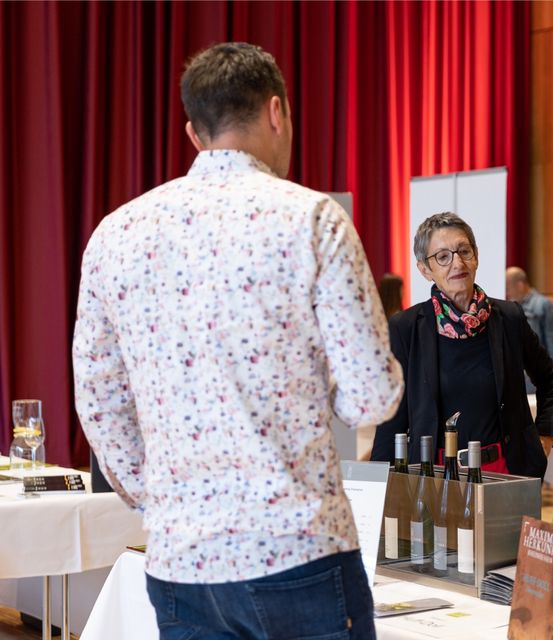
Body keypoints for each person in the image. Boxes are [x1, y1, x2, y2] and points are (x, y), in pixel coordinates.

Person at [73, 42, 402, 639]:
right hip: (298, 547)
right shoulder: (312, 219)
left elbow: (98, 402)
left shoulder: (115, 234)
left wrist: (161, 498)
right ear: (277, 112)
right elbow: (371, 397)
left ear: (193, 133)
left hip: (180, 557)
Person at [373, 213, 553, 477]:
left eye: (464, 251)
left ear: (476, 256)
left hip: (507, 470)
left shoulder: (509, 318)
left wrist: (546, 434)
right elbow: (392, 416)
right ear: (425, 270)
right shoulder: (406, 328)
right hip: (434, 473)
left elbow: (550, 376)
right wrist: (376, 483)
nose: (457, 263)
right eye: (443, 257)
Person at [505, 267, 553, 366]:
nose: (507, 294)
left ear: (519, 286)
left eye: (508, 289)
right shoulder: (510, 306)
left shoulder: (544, 304)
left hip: (538, 369)